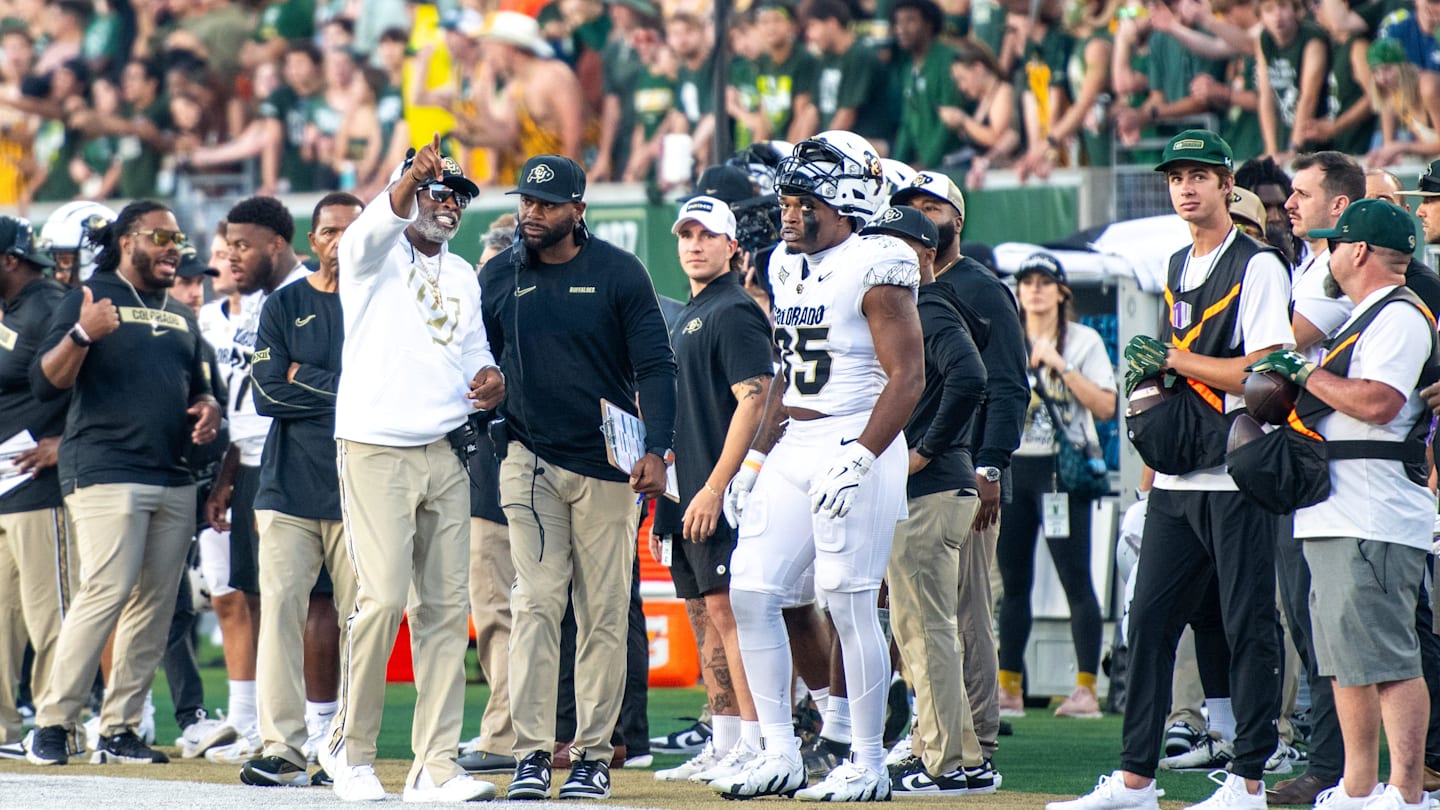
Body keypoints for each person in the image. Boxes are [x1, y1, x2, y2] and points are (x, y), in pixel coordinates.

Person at [1052, 130, 1293, 810]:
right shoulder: (1175, 262)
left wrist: (1173, 364)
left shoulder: (1260, 264)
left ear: (1225, 184)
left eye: (1199, 175)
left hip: (1238, 472)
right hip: (1181, 477)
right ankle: (1136, 779)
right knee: (1149, 622)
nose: (1185, 187)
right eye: (1175, 177)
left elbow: (1266, 374)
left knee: (1248, 625)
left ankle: (1249, 780)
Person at [712, 131, 924, 802]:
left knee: (850, 600)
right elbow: (784, 372)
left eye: (807, 203)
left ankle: (866, 759)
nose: (791, 214)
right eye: (788, 200)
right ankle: (779, 751)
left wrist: (862, 456)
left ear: (850, 202)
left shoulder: (878, 262)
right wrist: (753, 459)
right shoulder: (781, 263)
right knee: (751, 589)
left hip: (856, 439)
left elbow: (909, 376)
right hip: (796, 443)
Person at [478, 154, 676, 801]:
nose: (531, 214)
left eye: (546, 205)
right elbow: (475, 358)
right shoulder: (500, 275)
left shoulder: (619, 273)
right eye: (525, 203)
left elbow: (654, 366)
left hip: (607, 469)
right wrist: (485, 396)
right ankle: (533, 751)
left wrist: (658, 448)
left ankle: (592, 753)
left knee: (602, 613)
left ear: (578, 211)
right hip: (528, 461)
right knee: (535, 604)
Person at [323, 136, 504, 803]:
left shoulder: (460, 274)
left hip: (446, 448)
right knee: (382, 601)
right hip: (375, 445)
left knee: (446, 610)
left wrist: (491, 378)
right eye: (439, 191)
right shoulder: (373, 256)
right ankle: (353, 753)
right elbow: (373, 228)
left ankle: (435, 766)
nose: (450, 203)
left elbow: (474, 349)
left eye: (458, 194)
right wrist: (404, 184)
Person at [1253, 199, 1437, 810]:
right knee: (1346, 663)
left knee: (1388, 658)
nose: (1327, 254)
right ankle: (1358, 787)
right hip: (1338, 508)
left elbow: (1380, 403)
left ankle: (1406, 791)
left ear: (1358, 251)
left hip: (1373, 509)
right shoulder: (1365, 315)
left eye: (1336, 243)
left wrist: (1301, 374)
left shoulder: (1399, 316)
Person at [24, 201, 222, 767]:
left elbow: (201, 388)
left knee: (157, 606)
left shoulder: (182, 316)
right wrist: (83, 333)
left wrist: (207, 407)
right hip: (106, 469)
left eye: (179, 238)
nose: (174, 248)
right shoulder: (89, 297)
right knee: (106, 591)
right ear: (127, 238)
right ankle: (55, 722)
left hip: (174, 474)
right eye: (161, 236)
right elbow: (45, 383)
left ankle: (120, 728)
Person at [891, 171, 1028, 769]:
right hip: (927, 473)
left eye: (933, 206)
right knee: (925, 618)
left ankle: (975, 739)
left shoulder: (978, 287)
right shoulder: (902, 292)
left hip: (965, 473)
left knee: (964, 614)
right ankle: (939, 730)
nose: (922, 215)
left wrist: (992, 465)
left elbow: (1006, 385)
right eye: (911, 206)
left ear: (958, 219)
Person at [857, 205, 993, 795]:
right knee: (924, 630)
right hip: (936, 488)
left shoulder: (929, 306)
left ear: (925, 252)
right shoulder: (924, 307)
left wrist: (924, 451)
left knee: (927, 631)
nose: (883, 255)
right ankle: (954, 754)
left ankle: (945, 763)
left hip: (933, 489)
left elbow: (971, 377)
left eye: (896, 245)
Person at [239, 192, 364, 788]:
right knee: (281, 615)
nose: (340, 241)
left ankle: (341, 745)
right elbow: (267, 393)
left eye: (352, 230)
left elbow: (387, 393)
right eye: (330, 231)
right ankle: (282, 746)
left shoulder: (385, 305)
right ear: (312, 241)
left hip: (359, 489)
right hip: (285, 488)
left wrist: (303, 378)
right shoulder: (284, 304)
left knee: (360, 621)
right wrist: (347, 391)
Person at [651, 196, 774, 784]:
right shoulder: (692, 314)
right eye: (686, 235)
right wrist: (667, 502)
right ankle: (725, 741)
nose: (694, 244)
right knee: (704, 614)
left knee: (730, 615)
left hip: (716, 495)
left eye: (707, 235)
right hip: (684, 495)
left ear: (732, 247)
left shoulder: (734, 310)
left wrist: (716, 487)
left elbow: (756, 399)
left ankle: (755, 741)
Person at [202, 196, 315, 765]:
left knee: (311, 602)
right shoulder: (254, 305)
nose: (231, 257)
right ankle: (254, 722)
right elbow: (243, 402)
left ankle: (318, 725)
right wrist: (225, 476)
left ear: (277, 243)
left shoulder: (311, 292)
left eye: (242, 246)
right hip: (249, 462)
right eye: (228, 246)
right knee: (253, 595)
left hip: (303, 459)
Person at [996, 252, 1116, 722]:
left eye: (1046, 281)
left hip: (1061, 472)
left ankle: (1086, 687)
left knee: (1075, 579)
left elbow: (1106, 406)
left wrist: (1059, 366)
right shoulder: (1008, 335)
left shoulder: (1082, 340)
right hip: (1016, 467)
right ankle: (1009, 687)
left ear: (1062, 291)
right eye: (1028, 282)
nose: (1036, 290)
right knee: (1015, 583)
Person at [0, 218, 71, 760]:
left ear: (10, 259)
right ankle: (4, 727)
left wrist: (63, 443)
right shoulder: (13, 310)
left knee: (50, 613)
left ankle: (55, 723)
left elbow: (90, 376)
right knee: (1, 617)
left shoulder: (52, 304)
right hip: (4, 480)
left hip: (38, 483)